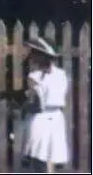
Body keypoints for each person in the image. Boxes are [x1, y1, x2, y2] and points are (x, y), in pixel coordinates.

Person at [20, 36, 69, 172]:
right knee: (50, 157)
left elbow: (36, 104)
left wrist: (21, 107)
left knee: (38, 158)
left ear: (42, 56)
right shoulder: (62, 74)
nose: (31, 56)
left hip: (40, 119)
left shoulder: (33, 76)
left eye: (34, 53)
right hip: (57, 118)